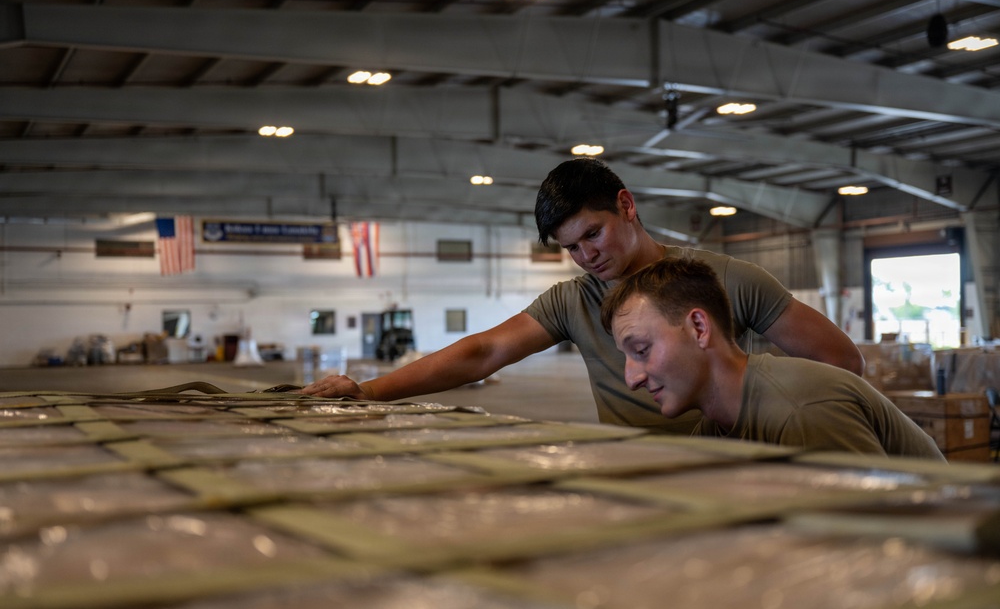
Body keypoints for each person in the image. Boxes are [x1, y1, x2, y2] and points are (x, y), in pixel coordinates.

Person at [302, 158, 864, 433]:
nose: (587, 255)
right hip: (636, 482)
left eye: (592, 234)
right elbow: (483, 354)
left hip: (737, 471)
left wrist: (775, 427)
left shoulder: (725, 280)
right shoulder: (572, 303)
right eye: (571, 248)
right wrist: (369, 393)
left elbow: (840, 359)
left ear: (626, 205)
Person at [600, 256, 945, 459]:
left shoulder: (802, 412)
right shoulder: (714, 430)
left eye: (641, 351)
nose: (632, 379)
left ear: (699, 327)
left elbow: (873, 548)